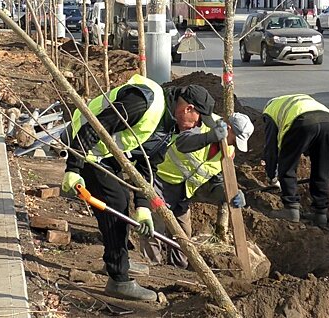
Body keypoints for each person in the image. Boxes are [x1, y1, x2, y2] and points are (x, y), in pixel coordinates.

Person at [60, 74, 216, 301]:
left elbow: (147, 164)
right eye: (198, 120)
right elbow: (97, 125)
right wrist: (73, 167)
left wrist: (143, 207)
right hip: (85, 147)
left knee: (122, 198)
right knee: (116, 202)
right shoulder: (144, 103)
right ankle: (118, 279)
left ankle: (118, 258)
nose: (198, 126)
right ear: (188, 108)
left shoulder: (169, 127)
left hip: (109, 154)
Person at [140, 112, 254, 269]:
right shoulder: (201, 125)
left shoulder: (228, 152)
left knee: (183, 237)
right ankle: (150, 270)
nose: (233, 144)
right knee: (155, 229)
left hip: (183, 194)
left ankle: (177, 273)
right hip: (159, 180)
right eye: (234, 139)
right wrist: (210, 136)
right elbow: (182, 142)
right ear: (228, 128)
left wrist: (230, 194)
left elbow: (217, 183)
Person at [262, 94, 329, 227]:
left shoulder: (269, 113)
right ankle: (320, 214)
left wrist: (272, 177)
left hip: (301, 122)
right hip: (328, 120)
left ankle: (291, 209)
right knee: (322, 167)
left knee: (288, 165)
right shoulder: (299, 102)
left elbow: (271, 149)